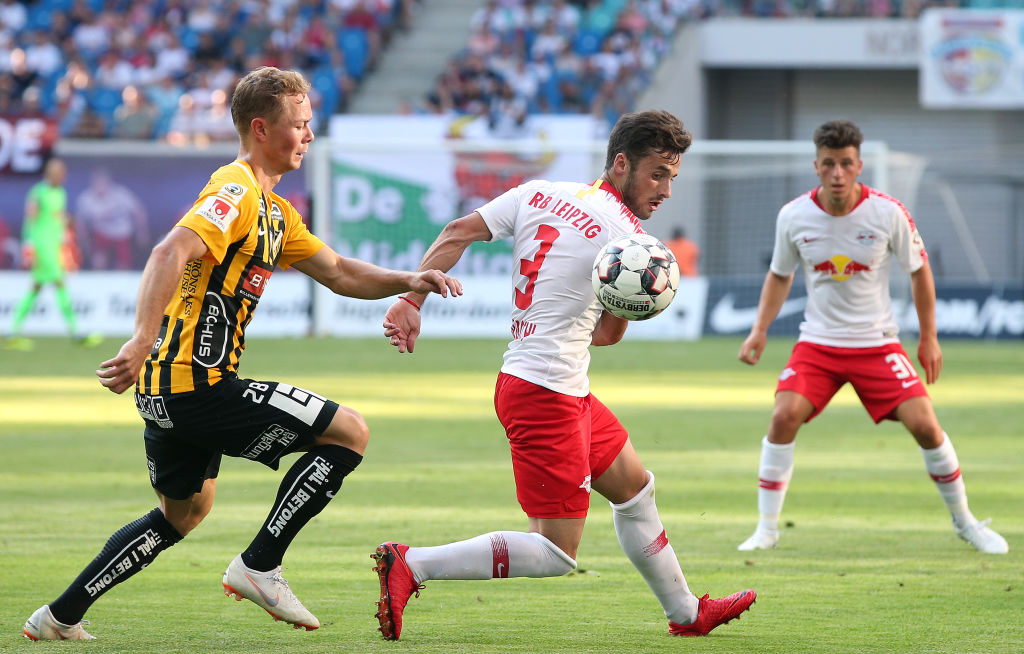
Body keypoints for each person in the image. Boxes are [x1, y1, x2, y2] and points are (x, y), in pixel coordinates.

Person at [21, 66, 463, 642]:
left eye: (309, 125)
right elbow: (168, 251)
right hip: (198, 381)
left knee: (183, 515)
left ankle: (58, 616)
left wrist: (411, 278)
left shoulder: (277, 212)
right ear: (260, 129)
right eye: (299, 125)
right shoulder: (236, 190)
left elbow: (340, 272)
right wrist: (141, 336)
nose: (308, 135)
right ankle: (260, 564)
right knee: (349, 432)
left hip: (166, 391)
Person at [372, 110, 755, 642]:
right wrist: (632, 303)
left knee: (635, 490)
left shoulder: (538, 192)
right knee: (555, 552)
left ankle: (687, 614)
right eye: (658, 173)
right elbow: (607, 337)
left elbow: (459, 231)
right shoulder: (627, 240)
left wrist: (411, 298)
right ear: (621, 164)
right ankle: (411, 563)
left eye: (672, 176)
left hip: (552, 384)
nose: (666, 189)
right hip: (544, 393)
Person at [735, 119, 1008, 555]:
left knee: (925, 426)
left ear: (859, 165)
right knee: (783, 416)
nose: (837, 173)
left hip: (876, 343)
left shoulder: (888, 213)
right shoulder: (794, 216)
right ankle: (766, 529)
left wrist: (929, 338)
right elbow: (779, 275)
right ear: (817, 166)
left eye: (845, 163)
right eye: (829, 164)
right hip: (818, 344)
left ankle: (966, 522)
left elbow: (920, 272)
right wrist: (759, 330)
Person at [6, 158, 100, 351]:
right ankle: (76, 333)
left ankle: (12, 332)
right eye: (60, 173)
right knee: (59, 283)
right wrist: (29, 248)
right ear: (51, 174)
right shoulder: (38, 193)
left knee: (35, 288)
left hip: (53, 246)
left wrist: (67, 227)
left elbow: (57, 217)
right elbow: (30, 220)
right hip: (42, 247)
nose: (63, 176)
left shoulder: (60, 192)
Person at [74, 168, 148, 270]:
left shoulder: (120, 194)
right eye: (97, 184)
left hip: (121, 233)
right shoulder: (86, 198)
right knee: (98, 260)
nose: (100, 187)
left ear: (109, 184)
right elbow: (80, 222)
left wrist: (142, 232)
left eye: (103, 183)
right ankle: (99, 280)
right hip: (102, 233)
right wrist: (83, 240)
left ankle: (123, 282)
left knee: (124, 263)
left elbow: (138, 211)